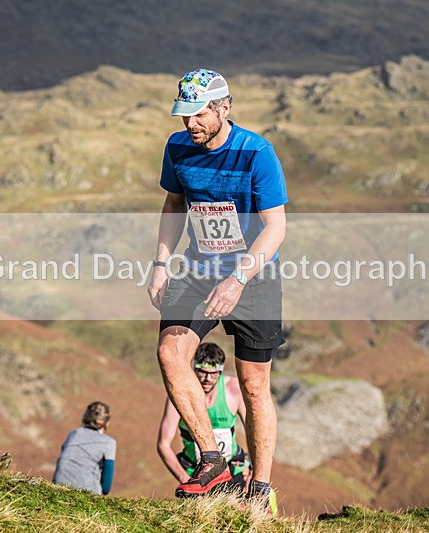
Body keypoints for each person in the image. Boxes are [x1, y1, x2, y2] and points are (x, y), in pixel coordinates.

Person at [147, 68, 288, 505]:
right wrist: (160, 264)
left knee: (252, 384)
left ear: (224, 107)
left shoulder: (257, 153)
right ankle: (212, 461)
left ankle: (259, 489)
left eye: (199, 114)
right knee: (170, 352)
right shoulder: (177, 148)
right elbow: (174, 205)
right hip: (198, 269)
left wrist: (238, 278)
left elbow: (276, 227)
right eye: (184, 115)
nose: (191, 124)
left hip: (254, 276)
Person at [157, 342, 250, 492]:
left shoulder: (233, 390)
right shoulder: (179, 396)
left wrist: (252, 470)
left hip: (232, 468)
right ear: (194, 369)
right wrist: (184, 479)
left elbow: (254, 433)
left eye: (213, 374)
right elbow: (163, 444)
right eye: (202, 372)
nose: (207, 379)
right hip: (194, 472)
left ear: (220, 371)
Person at [53, 401, 116, 495]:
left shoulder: (73, 434)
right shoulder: (108, 442)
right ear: (107, 422)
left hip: (58, 485)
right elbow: (106, 485)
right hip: (87, 490)